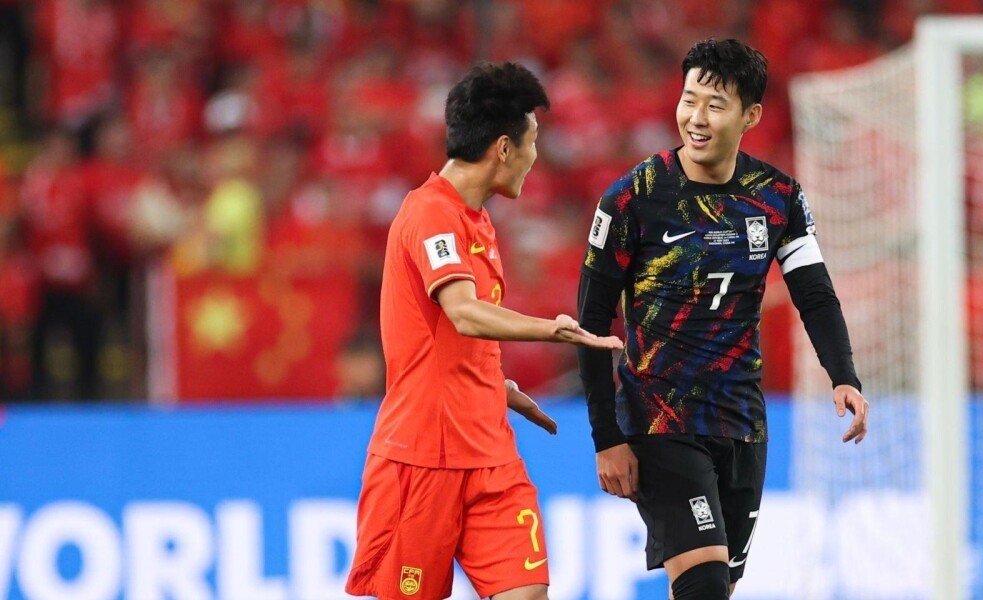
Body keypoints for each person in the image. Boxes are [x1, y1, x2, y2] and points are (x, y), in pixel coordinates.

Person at [576, 38, 869, 599]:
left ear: (750, 115)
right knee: (706, 581)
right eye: (689, 100)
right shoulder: (633, 198)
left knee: (715, 586)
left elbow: (814, 294)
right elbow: (592, 321)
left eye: (715, 105)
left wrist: (843, 374)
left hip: (741, 423)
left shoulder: (778, 198)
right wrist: (606, 437)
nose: (696, 118)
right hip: (659, 419)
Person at [345, 62, 622, 600]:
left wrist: (498, 386)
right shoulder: (429, 213)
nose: (535, 157)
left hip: (490, 454)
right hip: (421, 458)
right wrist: (555, 330)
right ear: (503, 148)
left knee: (528, 592)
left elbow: (451, 339)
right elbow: (463, 313)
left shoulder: (478, 222)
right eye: (532, 142)